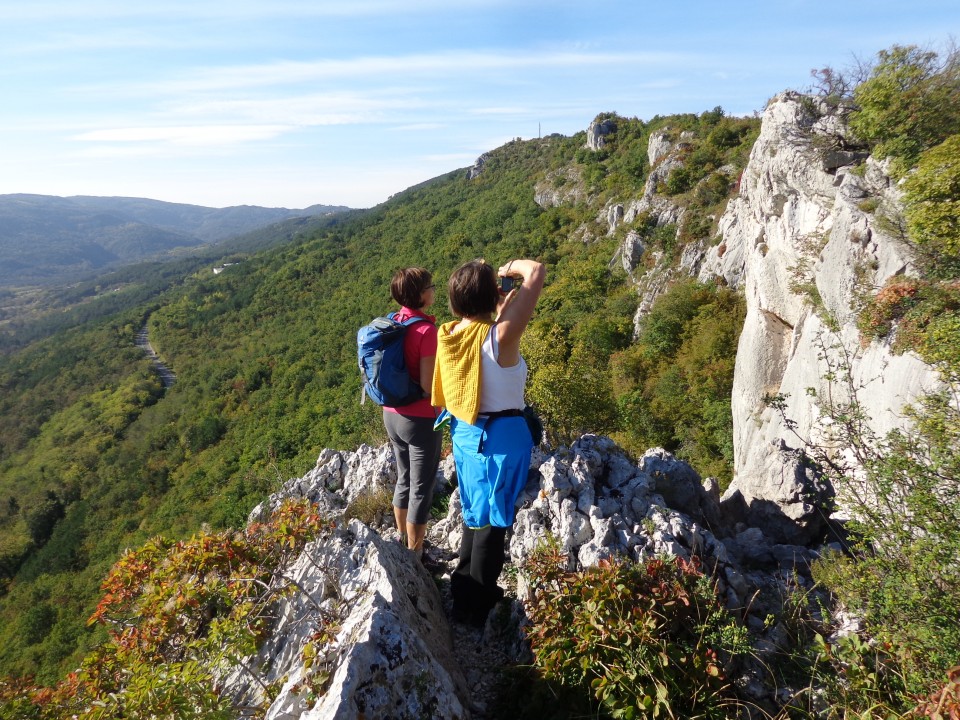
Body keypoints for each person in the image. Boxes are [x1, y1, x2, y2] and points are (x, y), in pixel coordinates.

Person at [431, 257, 545, 627]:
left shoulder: (449, 335)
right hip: (500, 438)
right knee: (493, 521)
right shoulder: (498, 339)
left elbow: (483, 321)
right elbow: (536, 272)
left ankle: (463, 587)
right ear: (491, 296)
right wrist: (510, 266)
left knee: (473, 514)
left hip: (464, 433)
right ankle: (474, 607)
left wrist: (492, 296)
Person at [383, 267, 442, 560]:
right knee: (422, 487)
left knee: (404, 478)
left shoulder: (393, 321)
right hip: (419, 419)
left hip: (391, 414)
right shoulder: (426, 330)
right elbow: (429, 384)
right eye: (430, 286)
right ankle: (415, 556)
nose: (434, 289)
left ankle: (402, 538)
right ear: (421, 295)